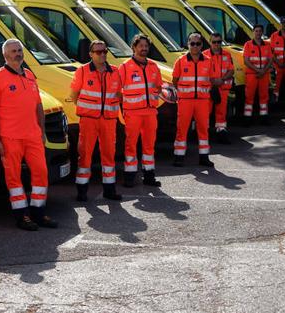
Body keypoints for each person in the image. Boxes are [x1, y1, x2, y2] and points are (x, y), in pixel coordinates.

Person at [0, 39, 58, 231]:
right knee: (14, 178)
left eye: (19, 50)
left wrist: (42, 131)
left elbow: (38, 106)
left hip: (33, 136)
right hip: (10, 137)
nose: (18, 53)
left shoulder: (29, 75)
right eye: (13, 51)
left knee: (41, 173)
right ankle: (21, 216)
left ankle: (38, 212)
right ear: (5, 55)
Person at [70, 40, 122, 202]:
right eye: (98, 52)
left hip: (108, 120)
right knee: (85, 155)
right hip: (89, 121)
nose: (102, 54)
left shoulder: (114, 71)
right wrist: (88, 109)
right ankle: (82, 190)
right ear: (91, 54)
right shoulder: (82, 71)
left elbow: (119, 94)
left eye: (104, 51)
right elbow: (74, 95)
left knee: (109, 155)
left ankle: (109, 189)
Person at [119, 34, 163, 187]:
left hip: (150, 112)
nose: (144, 49)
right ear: (134, 47)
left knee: (149, 145)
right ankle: (130, 177)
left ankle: (149, 176)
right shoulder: (125, 67)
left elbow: (158, 87)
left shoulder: (153, 66)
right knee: (131, 144)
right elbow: (118, 91)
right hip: (132, 113)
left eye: (146, 46)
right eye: (141, 46)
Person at [173, 33, 216, 167]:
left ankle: (204, 157)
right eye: (192, 43)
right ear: (188, 44)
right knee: (182, 129)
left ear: (202, 45)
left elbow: (212, 79)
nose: (195, 46)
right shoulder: (180, 61)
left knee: (203, 129)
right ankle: (179, 157)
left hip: (203, 101)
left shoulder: (208, 61)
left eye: (198, 44)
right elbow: (175, 80)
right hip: (185, 101)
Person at [203, 33, 234, 144]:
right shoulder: (204, 55)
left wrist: (222, 79)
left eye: (219, 42)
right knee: (205, 112)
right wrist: (213, 81)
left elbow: (231, 70)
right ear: (210, 42)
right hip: (209, 89)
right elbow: (201, 73)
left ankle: (221, 132)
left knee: (221, 113)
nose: (216, 44)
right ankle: (203, 135)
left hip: (223, 88)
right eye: (214, 42)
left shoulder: (227, 54)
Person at [243, 24, 273, 126]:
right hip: (252, 75)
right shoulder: (247, 44)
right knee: (249, 96)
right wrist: (258, 70)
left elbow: (270, 60)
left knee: (264, 96)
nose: (258, 33)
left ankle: (264, 117)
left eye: (260, 31)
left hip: (264, 74)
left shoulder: (267, 45)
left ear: (262, 32)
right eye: (256, 31)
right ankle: (247, 118)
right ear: (253, 32)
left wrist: (263, 71)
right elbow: (246, 61)